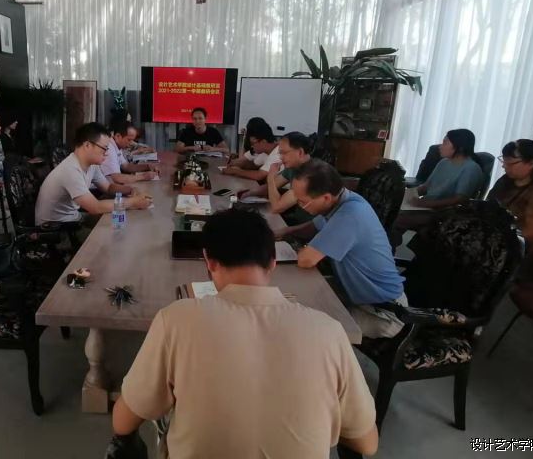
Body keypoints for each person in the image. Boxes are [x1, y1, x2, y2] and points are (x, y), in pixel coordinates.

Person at [109, 208, 378, 458]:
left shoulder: (176, 320)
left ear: (209, 261)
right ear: (273, 262)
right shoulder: (328, 331)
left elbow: (123, 422)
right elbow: (367, 443)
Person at [290, 159, 407, 338]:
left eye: (302, 201)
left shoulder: (350, 214)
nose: (299, 205)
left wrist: (302, 248)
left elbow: (306, 260)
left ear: (325, 198)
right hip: (356, 295)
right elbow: (312, 227)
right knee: (295, 298)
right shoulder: (340, 201)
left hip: (383, 312)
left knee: (304, 326)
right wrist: (282, 232)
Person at [35, 122, 152, 226]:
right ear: (87, 145)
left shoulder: (91, 165)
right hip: (57, 229)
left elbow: (108, 187)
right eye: (104, 148)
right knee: (114, 230)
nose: (107, 153)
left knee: (121, 221)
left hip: (74, 218)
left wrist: (130, 190)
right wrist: (133, 202)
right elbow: (95, 207)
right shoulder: (70, 170)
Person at [390, 129, 486, 248]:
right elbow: (426, 187)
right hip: (425, 207)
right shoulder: (443, 163)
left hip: (443, 213)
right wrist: (406, 194)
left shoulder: (471, 169)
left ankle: (386, 252)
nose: (440, 146)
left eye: (445, 143)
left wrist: (425, 204)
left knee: (395, 219)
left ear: (460, 147)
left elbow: (460, 199)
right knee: (389, 210)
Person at [488, 139, 533, 282]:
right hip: (494, 239)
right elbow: (488, 206)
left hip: (520, 254)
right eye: (504, 161)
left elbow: (531, 235)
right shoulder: (505, 181)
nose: (504, 166)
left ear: (531, 163)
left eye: (510, 163)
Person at [239, 131, 313, 220]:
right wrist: (249, 193)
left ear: (300, 152)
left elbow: (277, 207)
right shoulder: (294, 167)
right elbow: (271, 186)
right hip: (295, 216)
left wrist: (270, 176)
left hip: (303, 223)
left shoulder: (310, 174)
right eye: (280, 153)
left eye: (284, 153)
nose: (281, 157)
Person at [100, 120, 159, 185]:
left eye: (132, 140)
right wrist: (143, 176)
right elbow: (116, 178)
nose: (131, 143)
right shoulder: (110, 149)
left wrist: (147, 166)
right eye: (129, 140)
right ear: (118, 136)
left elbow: (126, 166)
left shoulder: (117, 146)